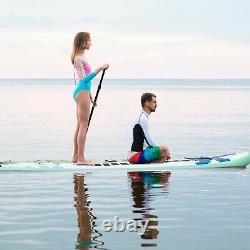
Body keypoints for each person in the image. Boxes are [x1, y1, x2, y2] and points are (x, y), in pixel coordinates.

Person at [71, 32, 109, 165]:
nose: (90, 43)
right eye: (89, 41)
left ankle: (76, 156)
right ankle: (81, 159)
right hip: (81, 91)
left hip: (83, 91)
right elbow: (84, 79)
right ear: (82, 42)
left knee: (79, 125)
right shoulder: (78, 59)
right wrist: (100, 68)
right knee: (83, 125)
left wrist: (90, 95)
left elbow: (84, 83)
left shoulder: (82, 57)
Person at [128, 93, 171, 164]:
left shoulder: (141, 117)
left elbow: (146, 141)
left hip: (136, 154)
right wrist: (163, 150)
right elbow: (149, 140)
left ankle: (156, 161)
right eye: (154, 102)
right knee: (164, 148)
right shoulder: (142, 118)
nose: (156, 105)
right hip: (135, 156)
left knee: (162, 155)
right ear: (147, 103)